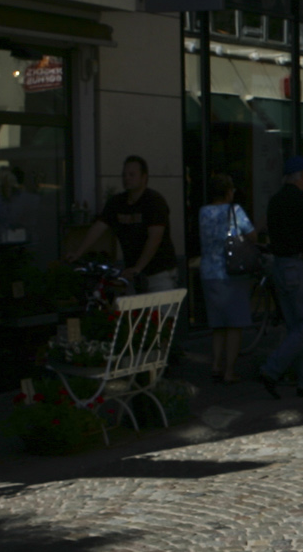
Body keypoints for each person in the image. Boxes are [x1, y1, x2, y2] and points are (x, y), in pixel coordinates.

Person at [257, 155, 303, 398]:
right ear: (302, 176)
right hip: (299, 265)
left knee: (295, 326)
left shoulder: (275, 200)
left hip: (280, 265)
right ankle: (271, 369)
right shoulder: (302, 199)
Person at [65, 155, 178, 291]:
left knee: (159, 304)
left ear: (144, 177)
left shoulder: (154, 202)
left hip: (158, 273)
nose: (126, 178)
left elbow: (155, 238)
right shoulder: (117, 203)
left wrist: (138, 268)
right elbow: (98, 228)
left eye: (132, 175)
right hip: (132, 274)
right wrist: (78, 253)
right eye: (124, 175)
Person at [197, 173, 254, 383]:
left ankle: (215, 364)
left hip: (208, 272)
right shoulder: (235, 210)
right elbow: (252, 235)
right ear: (229, 192)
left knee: (218, 324)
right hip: (231, 272)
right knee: (234, 324)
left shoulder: (203, 212)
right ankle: (229, 371)